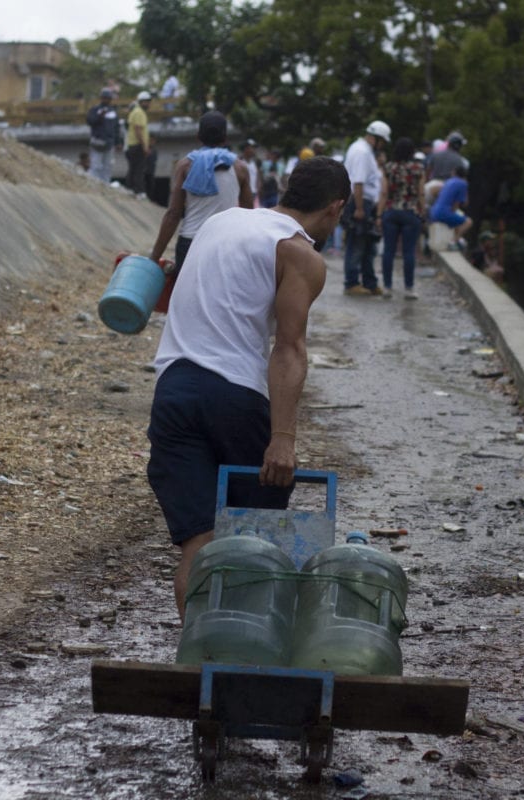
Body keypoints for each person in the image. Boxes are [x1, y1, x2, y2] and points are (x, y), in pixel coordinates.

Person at [146, 156, 351, 618]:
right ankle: (247, 656)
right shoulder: (300, 254)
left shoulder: (221, 221)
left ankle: (200, 661)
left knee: (199, 546)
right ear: (335, 208)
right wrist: (283, 439)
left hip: (173, 390)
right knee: (255, 544)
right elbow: (289, 349)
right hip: (234, 397)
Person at [149, 111, 253, 269]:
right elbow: (248, 216)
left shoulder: (185, 166)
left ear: (198, 136)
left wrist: (154, 257)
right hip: (226, 244)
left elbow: (173, 214)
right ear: (225, 138)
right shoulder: (240, 168)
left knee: (188, 293)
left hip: (191, 243)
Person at [343, 120, 392, 296]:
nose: (383, 145)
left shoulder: (364, 150)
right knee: (356, 244)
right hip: (361, 202)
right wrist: (359, 207)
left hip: (365, 202)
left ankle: (369, 282)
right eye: (382, 141)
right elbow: (358, 181)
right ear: (375, 138)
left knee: (368, 245)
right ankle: (351, 282)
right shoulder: (362, 152)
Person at [377, 137, 425, 300]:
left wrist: (378, 214)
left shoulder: (388, 168)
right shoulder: (418, 168)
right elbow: (421, 193)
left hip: (391, 211)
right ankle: (409, 288)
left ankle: (387, 287)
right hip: (410, 212)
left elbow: (383, 193)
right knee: (408, 252)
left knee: (388, 251)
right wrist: (422, 212)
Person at [428, 165, 474, 245]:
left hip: (433, 211)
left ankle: (456, 239)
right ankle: (454, 242)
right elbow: (457, 204)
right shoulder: (463, 184)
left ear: (454, 173)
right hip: (443, 213)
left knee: (457, 221)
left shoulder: (448, 181)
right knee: (468, 222)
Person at [86, 88, 124, 184]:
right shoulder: (95, 109)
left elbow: (116, 128)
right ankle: (94, 184)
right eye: (104, 98)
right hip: (97, 142)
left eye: (107, 98)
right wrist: (100, 117)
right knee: (96, 165)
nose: (105, 100)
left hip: (109, 143)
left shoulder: (113, 112)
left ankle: (105, 184)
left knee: (107, 166)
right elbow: (90, 121)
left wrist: (118, 142)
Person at [126, 91, 153, 195]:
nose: (149, 104)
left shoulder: (136, 111)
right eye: (147, 102)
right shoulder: (139, 112)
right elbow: (138, 130)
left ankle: (131, 189)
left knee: (134, 168)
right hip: (137, 145)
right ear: (142, 102)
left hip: (134, 145)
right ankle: (138, 191)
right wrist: (144, 146)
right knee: (138, 169)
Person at [241, 139, 263, 207]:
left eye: (254, 148)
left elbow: (258, 177)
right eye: (252, 148)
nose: (254, 150)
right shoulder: (239, 162)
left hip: (254, 194)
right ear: (246, 149)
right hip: (243, 195)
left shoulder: (256, 163)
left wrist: (258, 188)